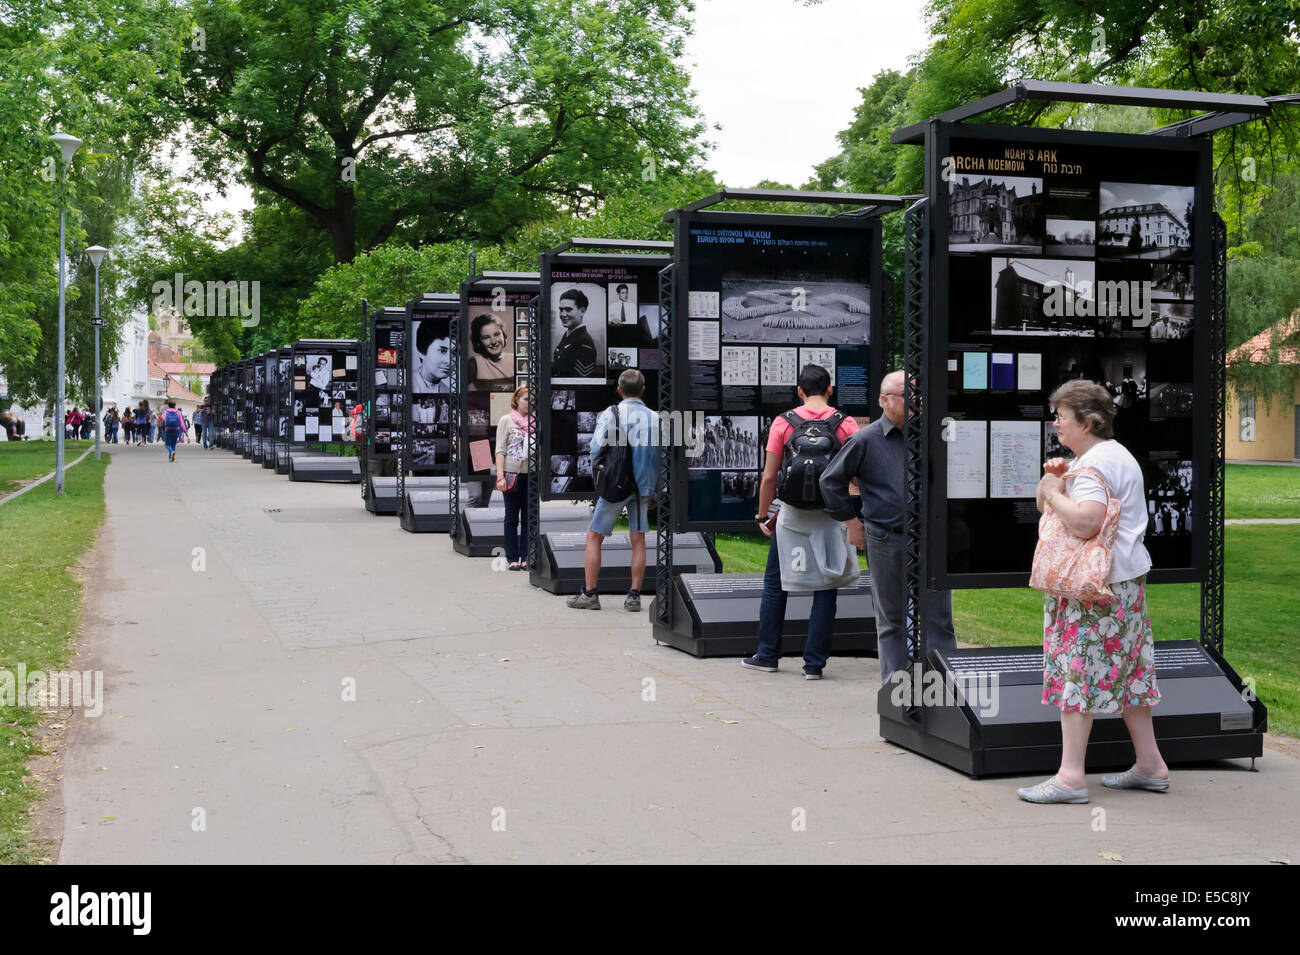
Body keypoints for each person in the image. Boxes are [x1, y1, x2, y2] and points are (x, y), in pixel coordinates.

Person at [1017, 379, 1166, 805]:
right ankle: (1150, 765)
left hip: (1090, 590)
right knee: (1131, 673)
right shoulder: (1116, 456)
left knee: (1075, 673)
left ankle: (1070, 777)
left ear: (1088, 421)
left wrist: (1049, 489)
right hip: (1124, 583)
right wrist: (1060, 482)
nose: (1056, 424)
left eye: (1062, 417)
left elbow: (1085, 522)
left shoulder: (1093, 466)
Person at [821, 370, 957, 684]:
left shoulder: (930, 437)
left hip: (930, 539)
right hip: (885, 538)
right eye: (907, 395)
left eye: (917, 395)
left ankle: (947, 693)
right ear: (885, 400)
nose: (915, 401)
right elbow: (830, 482)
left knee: (938, 618)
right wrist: (852, 524)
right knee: (891, 620)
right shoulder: (865, 440)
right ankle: (897, 693)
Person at [742, 363, 861, 679]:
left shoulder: (783, 423)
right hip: (831, 515)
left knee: (774, 585)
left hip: (791, 516)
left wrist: (762, 514)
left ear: (799, 390)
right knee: (826, 585)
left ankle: (767, 654)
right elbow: (861, 473)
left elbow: (769, 476)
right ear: (830, 389)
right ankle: (814, 665)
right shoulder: (846, 424)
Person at [567, 369, 658, 612]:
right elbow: (661, 457)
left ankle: (590, 593)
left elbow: (597, 448)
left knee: (594, 537)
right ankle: (634, 596)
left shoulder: (611, 414)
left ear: (619, 390)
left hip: (615, 484)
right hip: (643, 487)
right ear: (643, 390)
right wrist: (655, 492)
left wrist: (601, 474)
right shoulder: (655, 418)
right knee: (638, 539)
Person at [494, 386, 534, 570]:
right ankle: (512, 558)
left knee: (529, 518)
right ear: (517, 400)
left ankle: (526, 556)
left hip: (531, 475)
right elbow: (500, 450)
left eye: (532, 399)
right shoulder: (507, 420)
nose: (529, 402)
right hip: (511, 475)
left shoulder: (535, 422)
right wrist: (500, 476)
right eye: (526, 399)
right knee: (511, 517)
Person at [551, 289, 598, 379]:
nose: (563, 314)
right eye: (561, 310)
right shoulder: (568, 336)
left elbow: (582, 381)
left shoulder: (584, 342)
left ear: (582, 311)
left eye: (568, 310)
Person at [467, 313, 513, 391]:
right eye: (486, 337)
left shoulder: (516, 359)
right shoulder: (473, 364)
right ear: (478, 342)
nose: (493, 341)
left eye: (497, 334)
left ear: (504, 336)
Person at [413, 321, 452, 393]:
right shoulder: (407, 384)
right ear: (422, 351)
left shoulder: (448, 392)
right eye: (442, 351)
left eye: (454, 353)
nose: (449, 361)